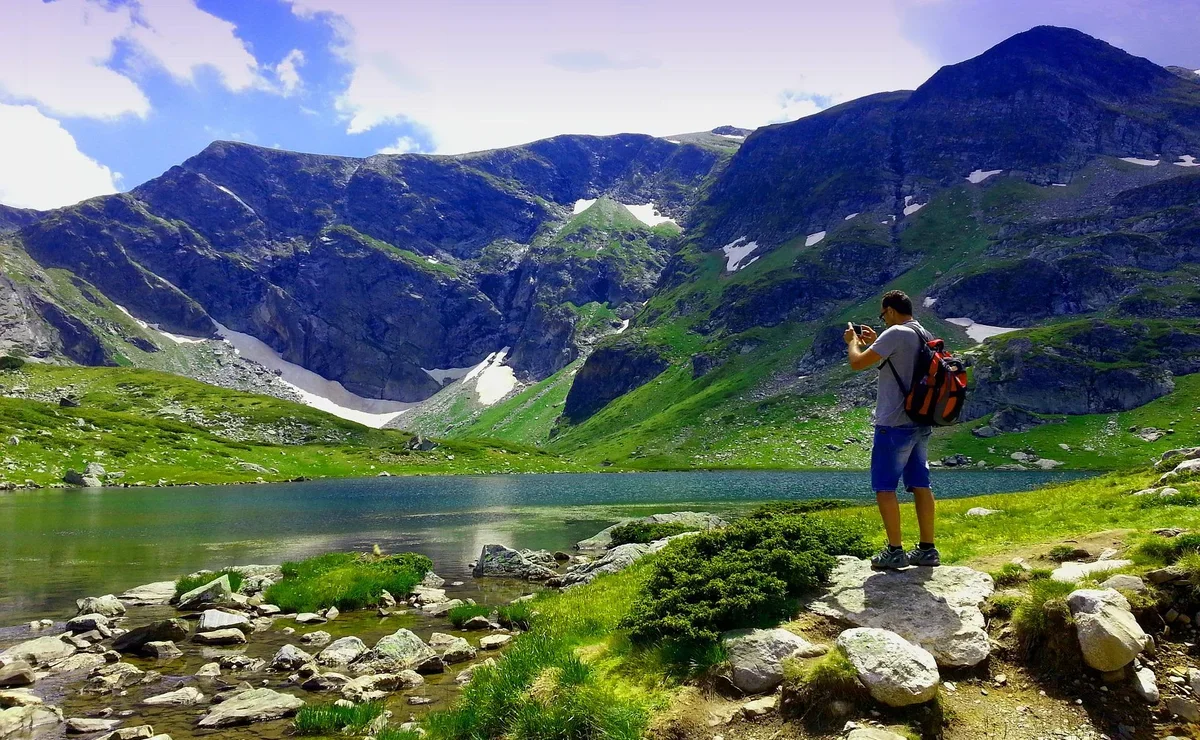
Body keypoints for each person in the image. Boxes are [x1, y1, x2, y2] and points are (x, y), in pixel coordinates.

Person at [844, 290, 940, 569]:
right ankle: (927, 549)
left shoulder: (896, 332)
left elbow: (857, 362)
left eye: (882, 314)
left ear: (890, 311)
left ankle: (895, 551)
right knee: (921, 484)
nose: (883, 319)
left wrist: (853, 342)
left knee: (885, 487)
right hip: (919, 422)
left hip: (893, 424)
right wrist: (876, 342)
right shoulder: (922, 332)